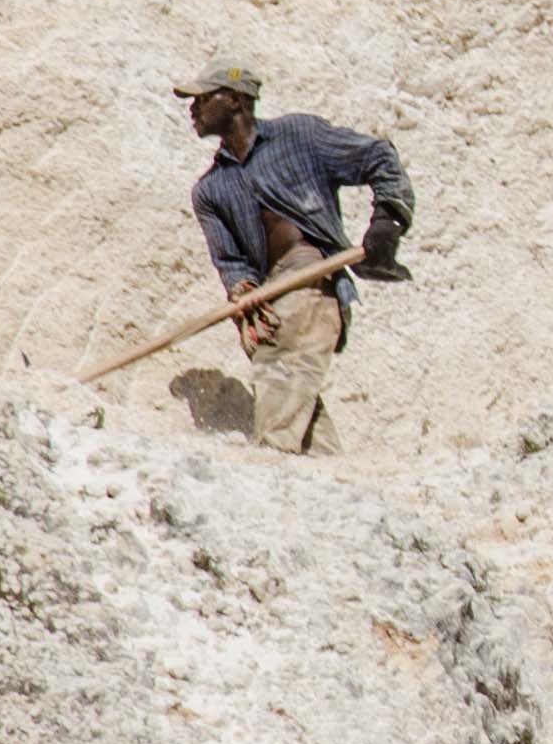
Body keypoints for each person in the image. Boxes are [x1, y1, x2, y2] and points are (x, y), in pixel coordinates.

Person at [173, 60, 413, 453]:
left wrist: (388, 219)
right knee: (297, 396)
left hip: (312, 274)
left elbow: (378, 157)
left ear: (235, 100)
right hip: (271, 293)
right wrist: (243, 292)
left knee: (278, 370)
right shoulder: (210, 191)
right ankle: (326, 481)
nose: (193, 109)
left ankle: (274, 462)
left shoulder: (299, 136)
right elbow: (231, 262)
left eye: (202, 98)